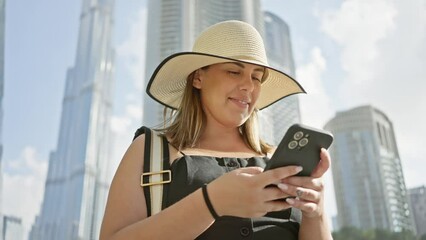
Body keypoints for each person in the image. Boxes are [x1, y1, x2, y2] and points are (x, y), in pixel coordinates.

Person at [100, 20, 332, 240]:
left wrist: (316, 212)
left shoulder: (279, 162)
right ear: (198, 78)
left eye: (257, 77)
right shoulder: (149, 151)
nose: (248, 86)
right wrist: (211, 203)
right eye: (234, 71)